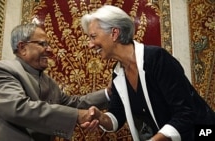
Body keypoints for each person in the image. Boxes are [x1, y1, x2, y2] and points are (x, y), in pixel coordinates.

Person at [80, 5, 215, 141]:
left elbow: (185, 113)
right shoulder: (117, 73)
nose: (90, 44)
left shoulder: (157, 58)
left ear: (114, 33)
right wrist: (100, 117)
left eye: (93, 37)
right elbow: (117, 115)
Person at [0, 23, 111, 141]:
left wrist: (109, 93)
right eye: (43, 44)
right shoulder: (4, 69)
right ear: (22, 47)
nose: (50, 50)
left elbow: (74, 104)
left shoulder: (49, 82)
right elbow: (18, 108)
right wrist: (76, 116)